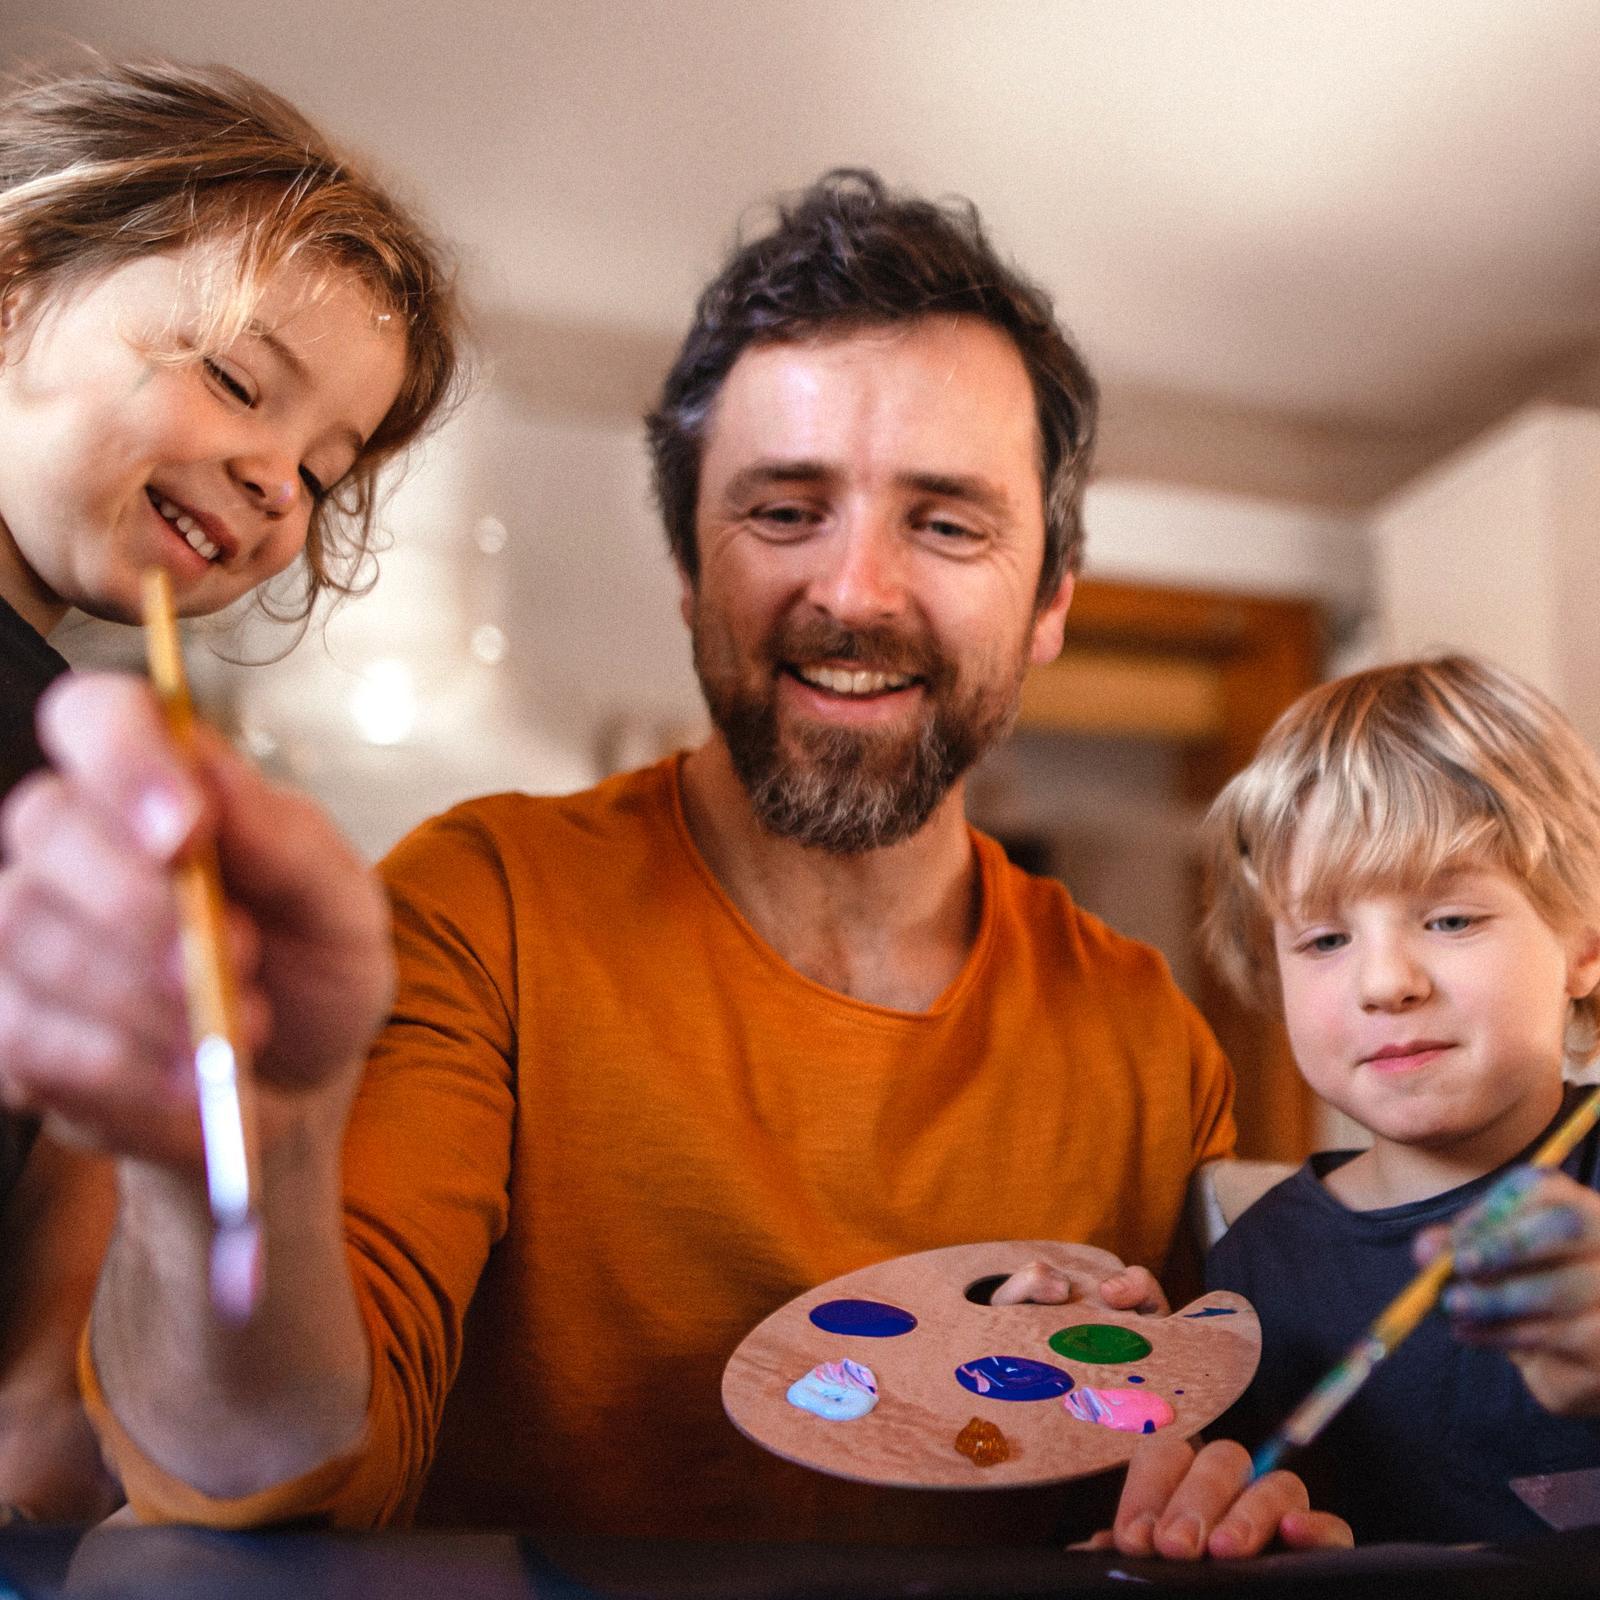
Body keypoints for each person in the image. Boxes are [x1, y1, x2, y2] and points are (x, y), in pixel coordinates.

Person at [0, 170, 1345, 1556]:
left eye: (945, 523)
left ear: (1052, 598)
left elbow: (1172, 1466)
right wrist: (236, 1165)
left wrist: (1206, 1508)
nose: (855, 594)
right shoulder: (480, 908)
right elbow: (266, 1469)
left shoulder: (1149, 1039)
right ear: (690, 573)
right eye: (782, 511)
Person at [0, 55, 461, 1521]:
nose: (280, 484)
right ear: (11, 288)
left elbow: (39, 1392)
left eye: (327, 471)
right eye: (240, 383)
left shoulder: (84, 745)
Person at [1202, 655, 1600, 1543]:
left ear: (1583, 945)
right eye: (1326, 938)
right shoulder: (1251, 1271)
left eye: (1451, 919)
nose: (1386, 983)